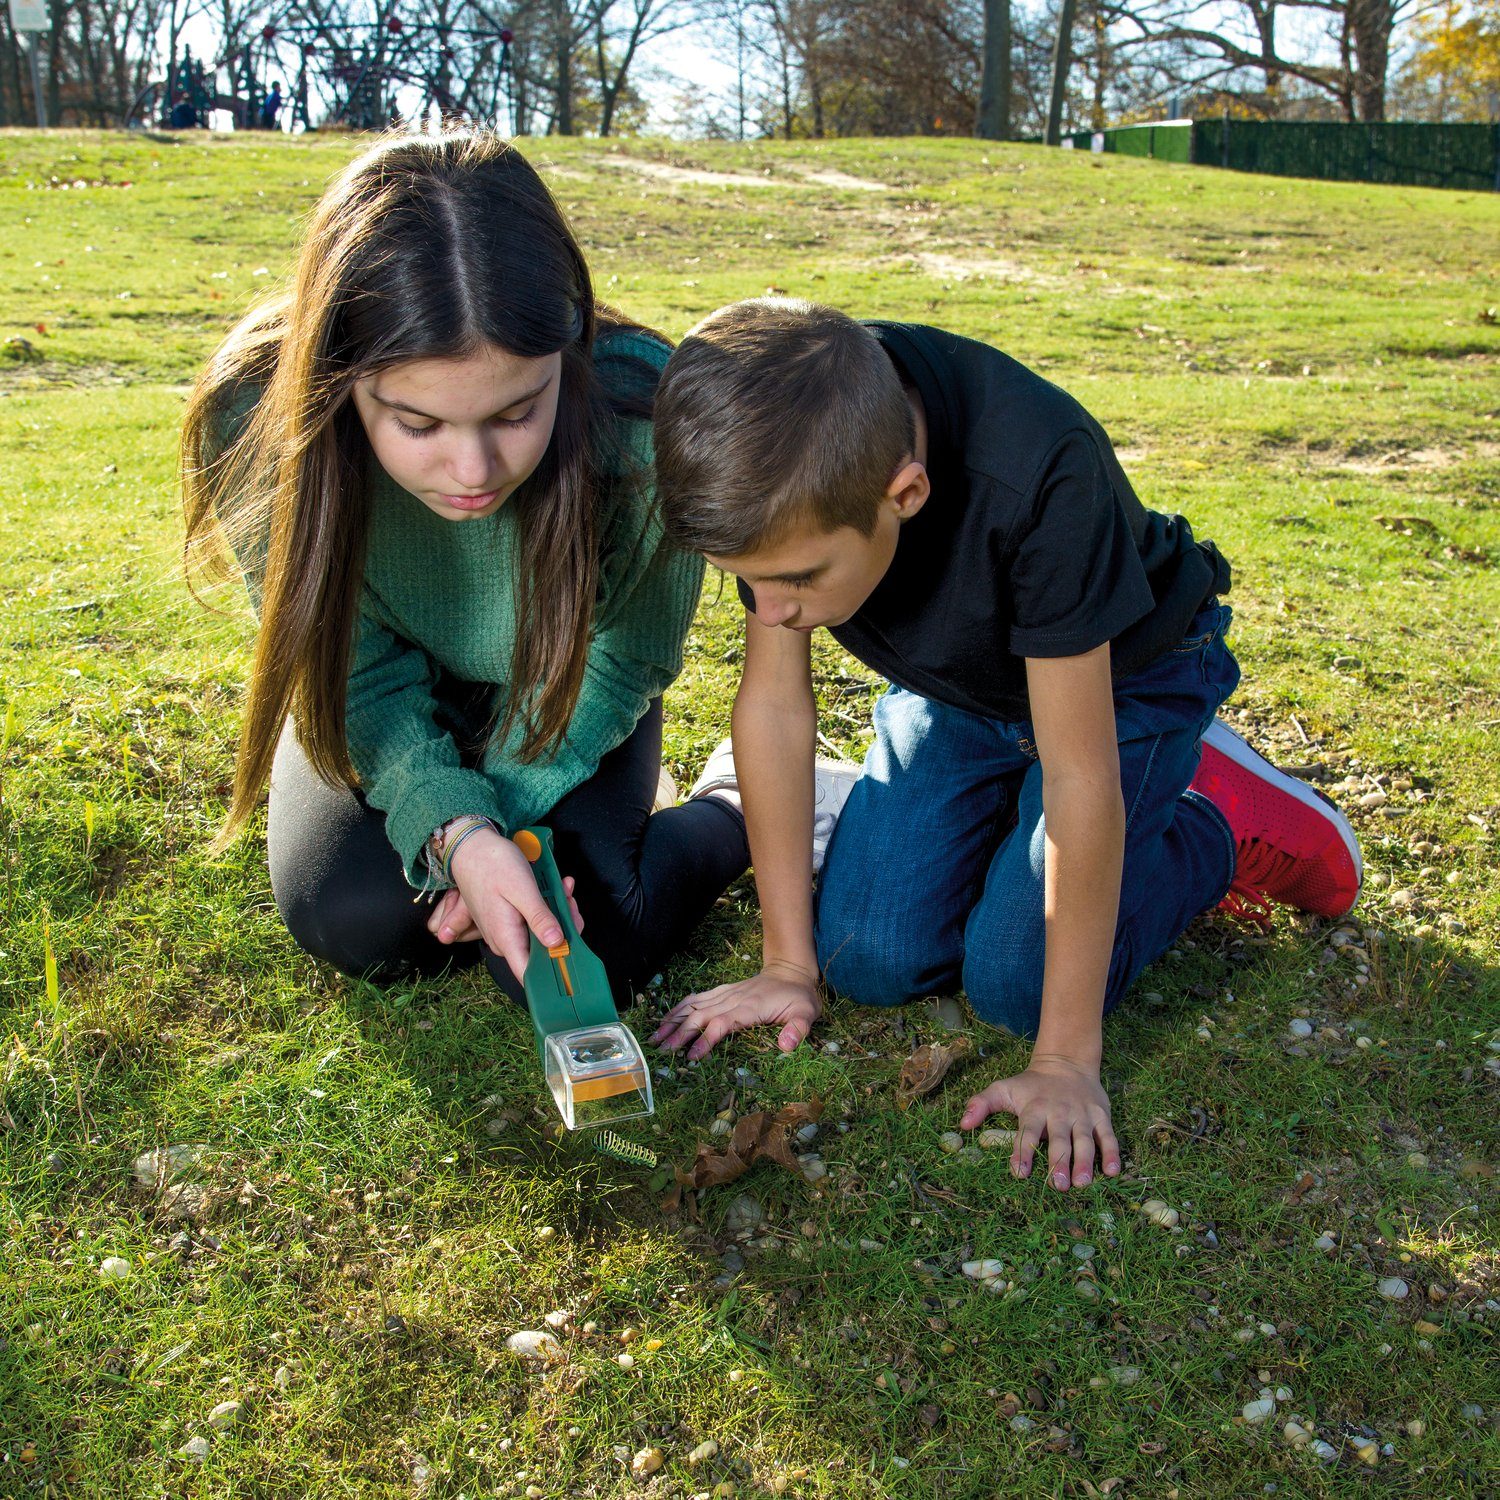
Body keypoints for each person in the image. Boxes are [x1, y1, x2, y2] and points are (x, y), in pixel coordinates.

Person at [648, 300, 1362, 1192]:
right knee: (866, 957)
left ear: (903, 493)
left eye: (795, 580)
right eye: (747, 582)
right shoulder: (785, 443)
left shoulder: (1040, 471)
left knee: (1015, 982)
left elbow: (1077, 772)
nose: (772, 608)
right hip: (962, 688)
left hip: (1120, 685)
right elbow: (777, 706)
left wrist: (1065, 1058)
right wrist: (787, 963)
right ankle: (996, 822)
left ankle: (1213, 821)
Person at [180, 131, 754, 1006]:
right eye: (419, 426)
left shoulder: (645, 415)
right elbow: (348, 670)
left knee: (589, 930)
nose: (476, 472)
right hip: (381, 694)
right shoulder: (257, 419)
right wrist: (457, 833)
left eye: (518, 411)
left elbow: (621, 658)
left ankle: (731, 805)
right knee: (360, 917)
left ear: (567, 349)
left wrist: (498, 819)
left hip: (570, 687)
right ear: (341, 381)